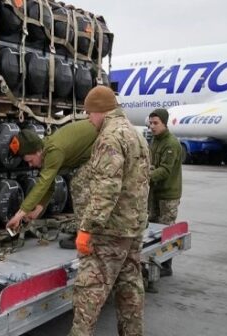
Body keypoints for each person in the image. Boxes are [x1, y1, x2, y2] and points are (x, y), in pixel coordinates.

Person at [69, 85, 150, 336]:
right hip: (133, 227)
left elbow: (107, 188)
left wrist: (86, 228)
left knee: (89, 289)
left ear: (100, 111)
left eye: (89, 113)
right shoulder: (136, 134)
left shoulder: (109, 137)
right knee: (129, 286)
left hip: (111, 231)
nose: (88, 119)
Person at [5, 121, 98, 249]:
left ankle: (86, 236)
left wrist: (19, 215)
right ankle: (87, 231)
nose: (30, 165)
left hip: (102, 144)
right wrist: (37, 210)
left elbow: (42, 184)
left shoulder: (53, 151)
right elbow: (49, 185)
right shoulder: (46, 151)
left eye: (30, 160)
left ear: (38, 151)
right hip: (93, 149)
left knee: (79, 185)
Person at [146, 108, 183, 293]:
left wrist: (145, 176)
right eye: (150, 123)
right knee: (153, 230)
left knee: (166, 230)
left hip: (168, 195)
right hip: (155, 193)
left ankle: (166, 265)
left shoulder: (171, 144)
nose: (152, 127)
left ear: (164, 123)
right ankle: (155, 262)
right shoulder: (155, 141)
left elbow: (165, 170)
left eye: (155, 123)